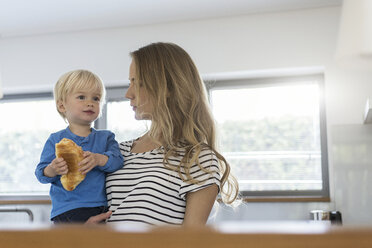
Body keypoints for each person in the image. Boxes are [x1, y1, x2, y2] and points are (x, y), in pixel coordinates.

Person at [87, 42, 239, 226]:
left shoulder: (198, 159)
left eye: (138, 83)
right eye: (130, 82)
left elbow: (191, 242)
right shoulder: (118, 152)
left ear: (168, 87)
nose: (128, 93)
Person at [35, 69, 124, 223]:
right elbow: (40, 174)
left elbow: (118, 161)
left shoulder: (106, 137)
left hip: (100, 207)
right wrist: (52, 169)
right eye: (81, 97)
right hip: (66, 210)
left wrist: (99, 159)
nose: (90, 102)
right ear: (62, 106)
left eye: (96, 98)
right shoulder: (55, 140)